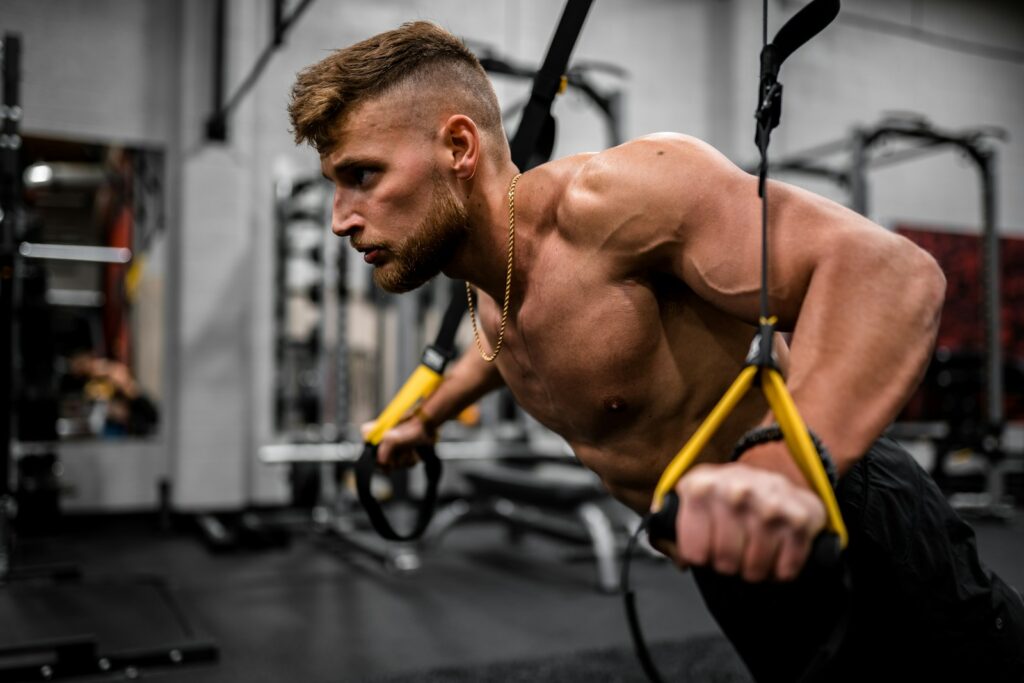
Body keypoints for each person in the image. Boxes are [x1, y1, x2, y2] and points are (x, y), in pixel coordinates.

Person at [288, 21, 1024, 682]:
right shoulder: (491, 282)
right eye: (333, 185)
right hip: (725, 554)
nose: (340, 219)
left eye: (362, 175)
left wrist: (784, 468)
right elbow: (511, 348)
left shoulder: (614, 203)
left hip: (837, 507)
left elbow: (890, 273)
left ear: (458, 146)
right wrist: (429, 416)